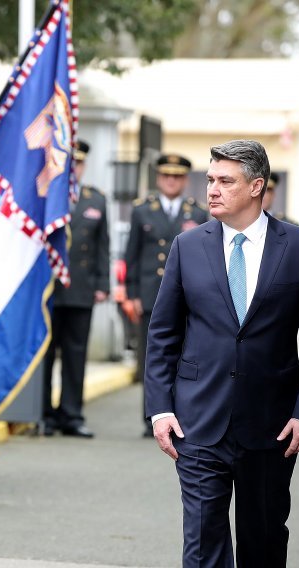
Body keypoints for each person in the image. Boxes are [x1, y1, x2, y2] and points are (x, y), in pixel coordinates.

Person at [146, 139, 299, 568]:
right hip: (197, 422)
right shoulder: (187, 246)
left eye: (225, 181)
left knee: (264, 540)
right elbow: (162, 335)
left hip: (273, 425)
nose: (211, 189)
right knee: (201, 541)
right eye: (210, 179)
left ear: (257, 187)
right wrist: (159, 409)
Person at [124, 153, 208, 437]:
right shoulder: (141, 210)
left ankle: (180, 414)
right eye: (166, 176)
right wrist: (131, 293)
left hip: (187, 295)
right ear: (159, 178)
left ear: (185, 180)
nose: (171, 181)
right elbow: (131, 255)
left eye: (177, 176)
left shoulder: (197, 212)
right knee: (152, 356)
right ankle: (152, 416)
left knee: (184, 355)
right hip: (150, 294)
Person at [42, 140, 110, 438]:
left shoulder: (96, 199)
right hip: (49, 289)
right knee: (46, 353)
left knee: (75, 354)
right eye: (70, 163)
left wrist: (103, 284)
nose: (75, 169)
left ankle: (71, 414)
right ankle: (45, 413)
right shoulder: (44, 194)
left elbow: (102, 247)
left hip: (81, 288)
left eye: (79, 164)